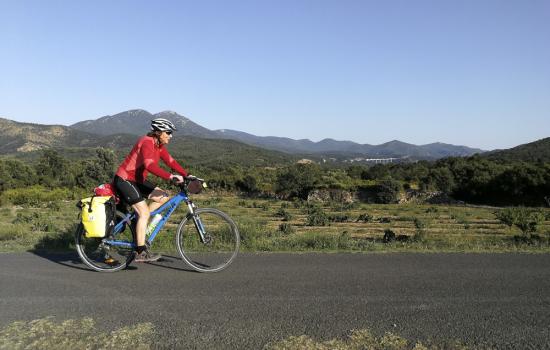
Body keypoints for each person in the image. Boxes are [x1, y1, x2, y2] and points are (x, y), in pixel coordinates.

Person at [113, 118, 188, 262]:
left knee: (163, 197)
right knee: (144, 212)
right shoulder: (146, 142)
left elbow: (170, 161)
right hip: (125, 179)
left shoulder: (158, 146)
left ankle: (140, 223)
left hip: (137, 180)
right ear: (159, 132)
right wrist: (170, 176)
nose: (170, 135)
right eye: (168, 132)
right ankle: (140, 252)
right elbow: (149, 166)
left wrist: (186, 174)